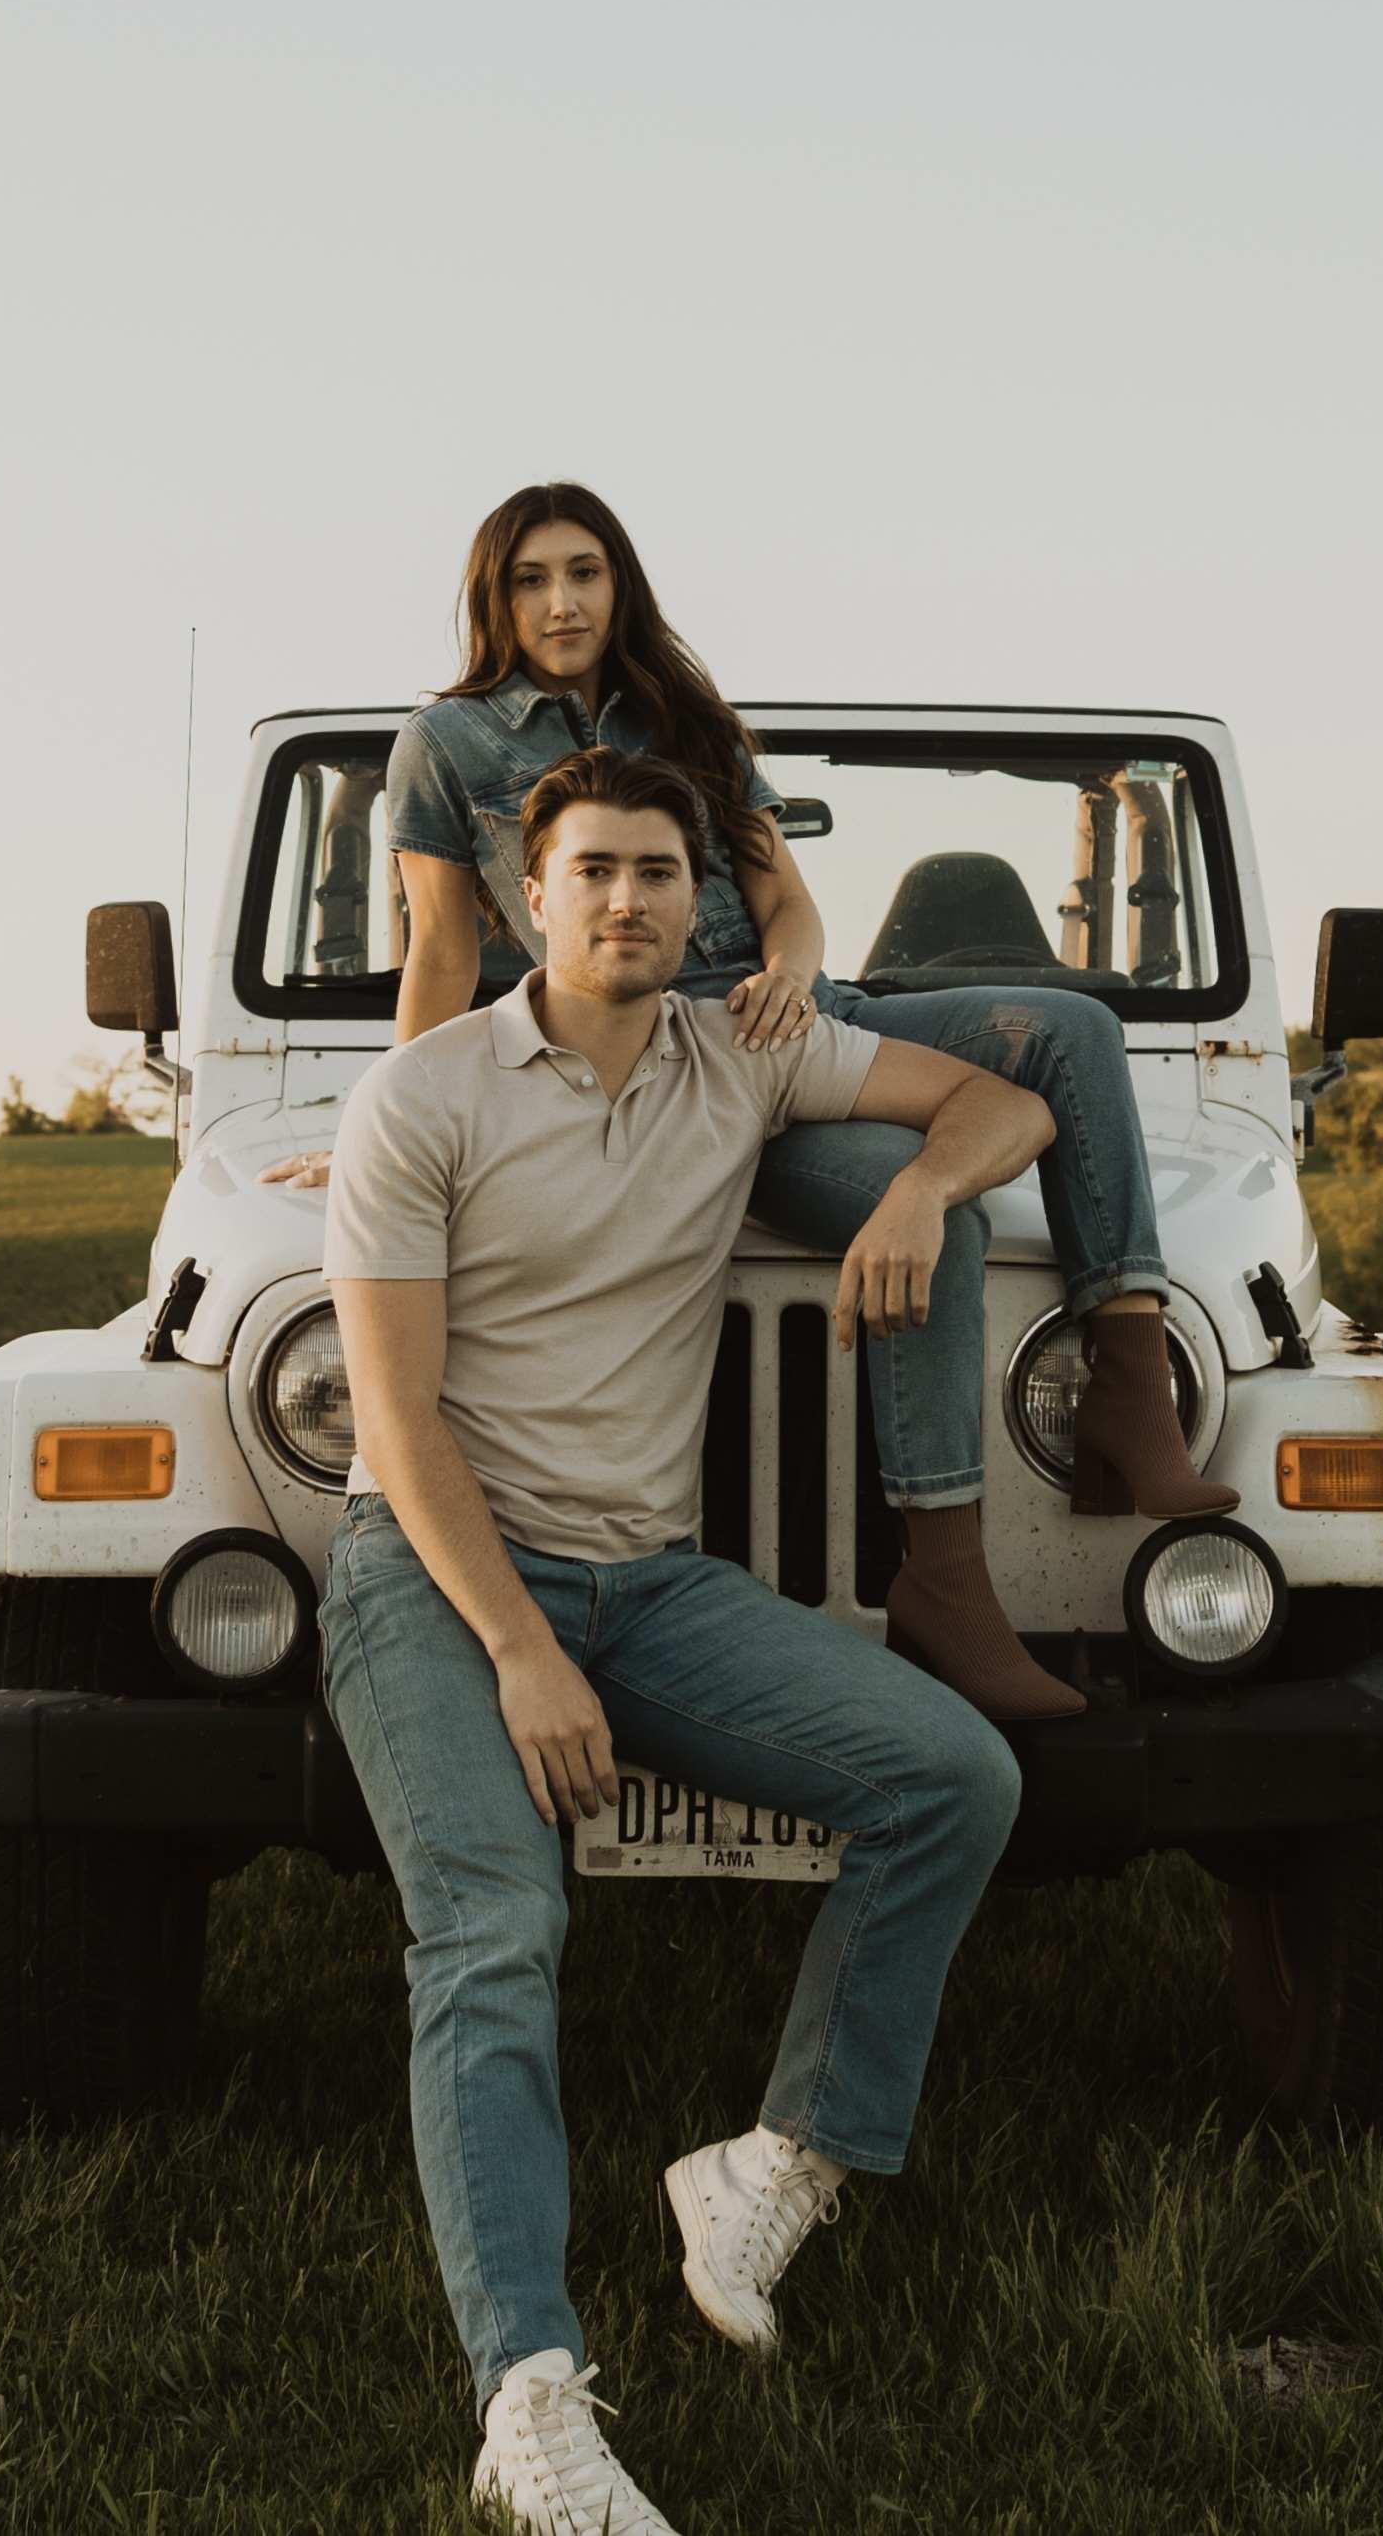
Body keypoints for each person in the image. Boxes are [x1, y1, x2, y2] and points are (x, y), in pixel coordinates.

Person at [323, 745, 1042, 2535]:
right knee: (496, 1923)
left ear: (691, 895)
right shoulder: (418, 1098)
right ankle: (530, 2397)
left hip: (645, 1577)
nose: (629, 898)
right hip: (437, 1572)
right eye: (594, 871)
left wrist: (910, 1191)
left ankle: (771, 2156)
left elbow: (1003, 1104)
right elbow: (399, 1426)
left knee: (951, 1771)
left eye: (658, 869)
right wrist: (518, 1649)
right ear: (524, 895)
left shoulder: (744, 1047)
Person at [272, 479, 1233, 1727]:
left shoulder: (685, 712)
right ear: (490, 597)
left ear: (619, 583)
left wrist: (789, 978)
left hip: (781, 1021)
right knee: (937, 1221)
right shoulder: (446, 744)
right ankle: (947, 1577)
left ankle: (1126, 1387)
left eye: (583, 571)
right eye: (528, 577)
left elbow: (789, 903)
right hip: (675, 1058)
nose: (559, 601)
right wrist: (380, 1121)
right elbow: (444, 955)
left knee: (1076, 1029)